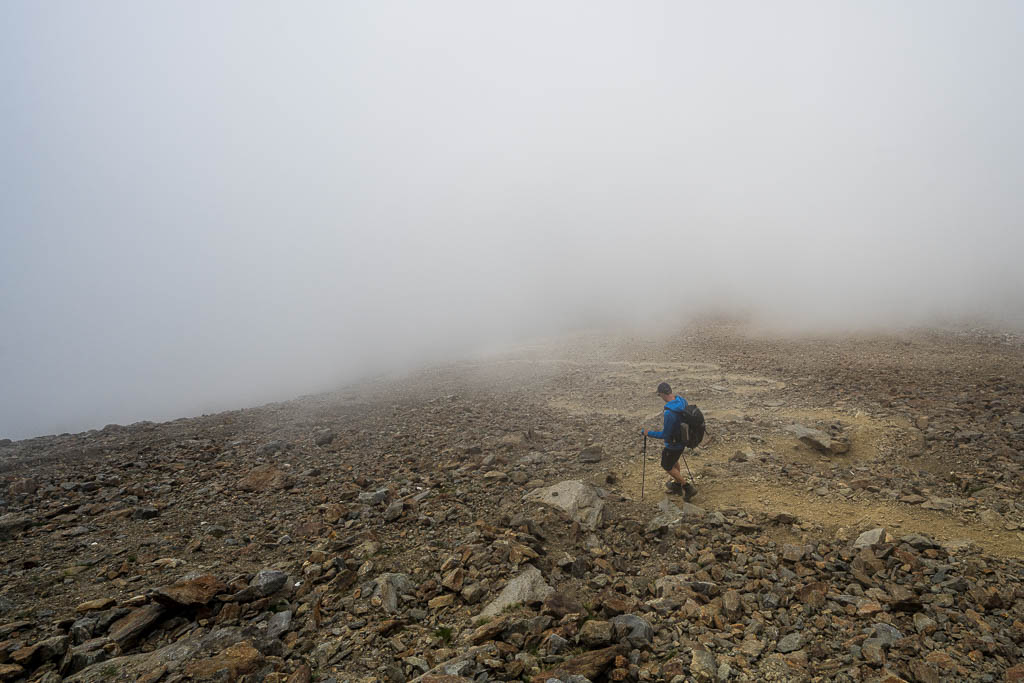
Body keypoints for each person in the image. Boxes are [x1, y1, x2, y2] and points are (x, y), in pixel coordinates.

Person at [642, 381, 697, 500]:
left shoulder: (669, 412)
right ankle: (677, 485)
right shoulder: (681, 400)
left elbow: (665, 434)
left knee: (666, 465)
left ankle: (687, 487)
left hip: (673, 444)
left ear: (662, 394)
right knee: (674, 461)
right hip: (683, 440)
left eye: (659, 395)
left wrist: (648, 433)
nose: (660, 397)